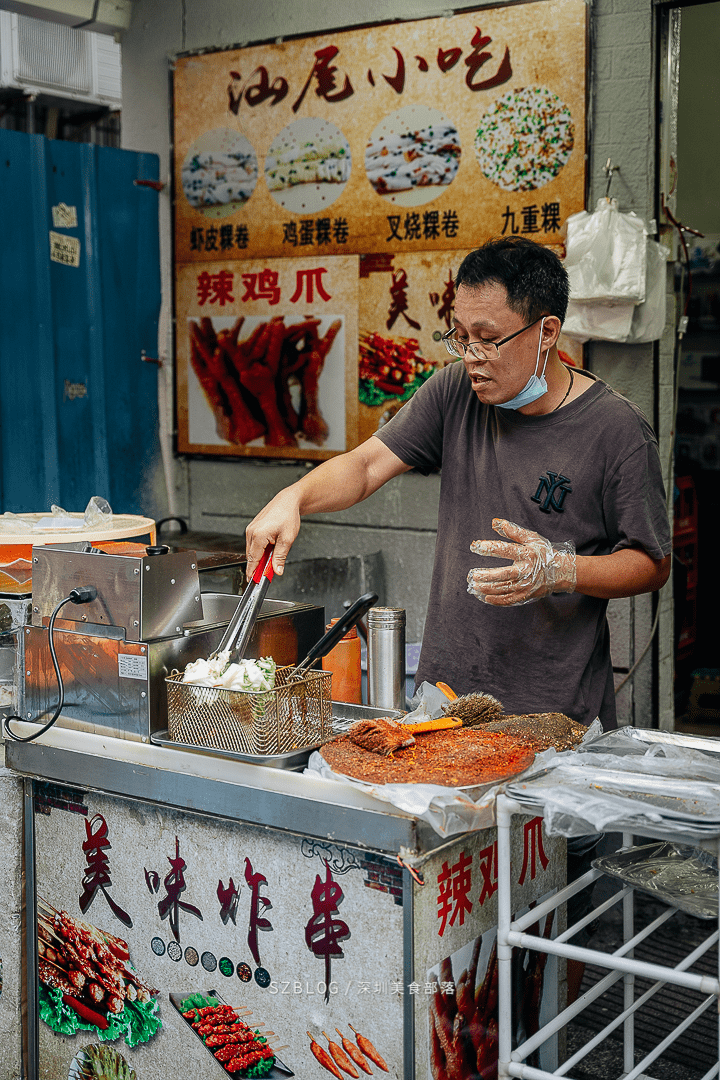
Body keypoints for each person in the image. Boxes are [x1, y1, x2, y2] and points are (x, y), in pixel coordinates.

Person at [246, 236, 672, 731]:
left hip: (553, 714)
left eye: (489, 339)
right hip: (443, 703)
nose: (472, 356)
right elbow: (365, 467)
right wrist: (293, 497)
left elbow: (651, 563)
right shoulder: (456, 392)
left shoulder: (616, 430)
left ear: (548, 332)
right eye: (460, 336)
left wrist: (560, 570)